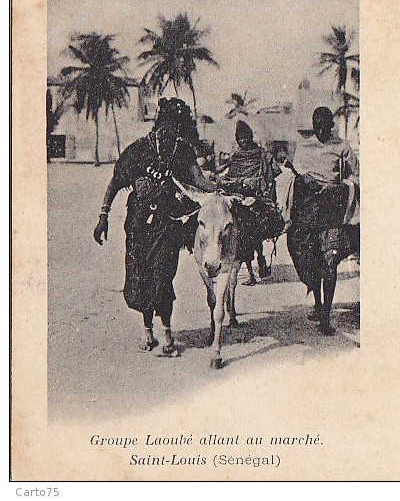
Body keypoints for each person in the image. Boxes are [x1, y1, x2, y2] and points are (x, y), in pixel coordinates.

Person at [93, 98, 216, 356]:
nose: (171, 130)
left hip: (167, 225)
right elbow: (115, 183)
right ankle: (148, 331)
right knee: (141, 276)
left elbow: (198, 180)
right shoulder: (138, 150)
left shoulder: (182, 151)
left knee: (163, 275)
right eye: (168, 124)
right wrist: (103, 215)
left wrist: (219, 189)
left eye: (177, 126)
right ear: (159, 122)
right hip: (137, 226)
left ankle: (167, 332)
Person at [287, 106, 359, 335]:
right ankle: (318, 304)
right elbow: (295, 174)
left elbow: (356, 174)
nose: (321, 132)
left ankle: (326, 316)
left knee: (329, 262)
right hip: (307, 210)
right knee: (308, 258)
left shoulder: (341, 147)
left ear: (331, 126)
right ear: (313, 126)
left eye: (325, 128)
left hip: (331, 209)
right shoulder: (304, 146)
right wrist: (304, 178)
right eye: (317, 128)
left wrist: (340, 185)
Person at [222, 120, 277, 285]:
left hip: (257, 198)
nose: (243, 141)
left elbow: (272, 175)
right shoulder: (236, 157)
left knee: (254, 232)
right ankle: (253, 268)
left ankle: (260, 260)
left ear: (250, 137)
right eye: (240, 138)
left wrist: (260, 186)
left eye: (245, 137)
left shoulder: (262, 155)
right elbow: (230, 176)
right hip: (239, 197)